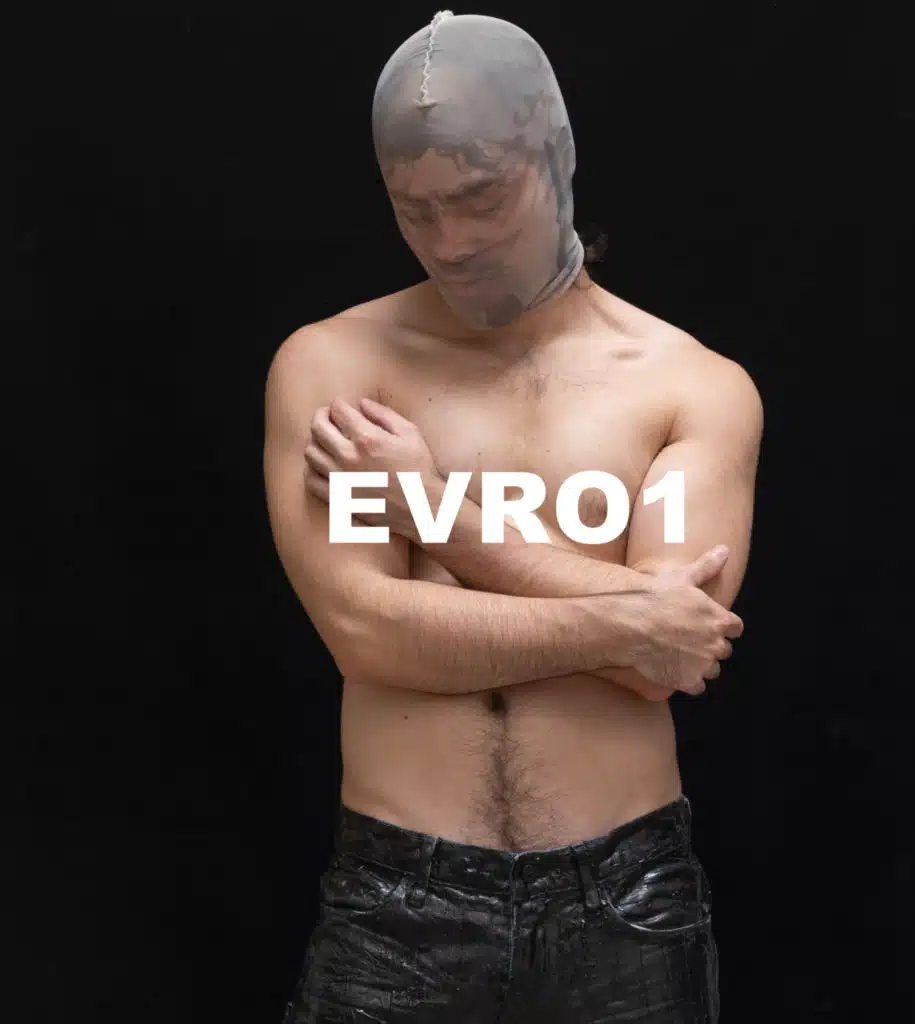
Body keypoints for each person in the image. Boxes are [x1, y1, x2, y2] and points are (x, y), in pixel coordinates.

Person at [263, 11, 762, 1023]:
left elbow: (665, 660)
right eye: (415, 211)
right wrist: (627, 614)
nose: (449, 244)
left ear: (555, 153)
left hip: (627, 898)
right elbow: (369, 630)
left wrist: (434, 515)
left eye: (480, 199)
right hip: (396, 903)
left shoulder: (689, 386)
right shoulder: (337, 368)